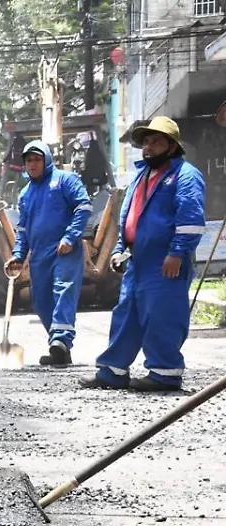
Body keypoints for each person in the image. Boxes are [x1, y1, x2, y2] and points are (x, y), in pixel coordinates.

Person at [80, 116, 206, 392]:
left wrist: (177, 253)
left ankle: (165, 373)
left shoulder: (184, 176)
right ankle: (112, 370)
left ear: (172, 146)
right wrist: (119, 249)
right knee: (126, 315)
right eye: (146, 142)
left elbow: (191, 218)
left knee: (162, 315)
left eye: (156, 141)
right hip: (138, 260)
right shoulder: (142, 176)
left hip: (165, 261)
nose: (148, 147)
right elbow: (128, 216)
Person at [4, 141, 93, 367]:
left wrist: (70, 237)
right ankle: (59, 349)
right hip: (39, 254)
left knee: (62, 291)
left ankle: (61, 341)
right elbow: (23, 229)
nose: (33, 164)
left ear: (46, 160)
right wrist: (18, 255)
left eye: (37, 159)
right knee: (41, 301)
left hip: (64, 250)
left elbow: (84, 207)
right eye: (29, 161)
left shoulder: (65, 180)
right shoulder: (25, 194)